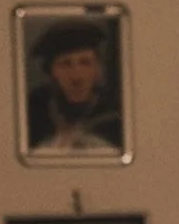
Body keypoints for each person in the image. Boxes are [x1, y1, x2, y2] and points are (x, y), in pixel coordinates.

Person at [24, 17, 124, 155]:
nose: (77, 76)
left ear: (97, 70)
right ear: (51, 72)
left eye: (85, 63)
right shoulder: (32, 114)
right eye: (65, 64)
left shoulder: (116, 114)